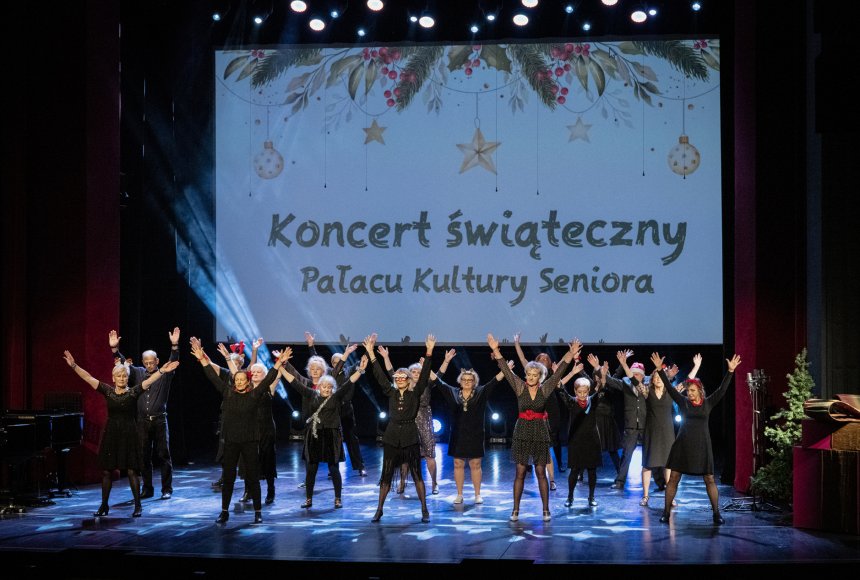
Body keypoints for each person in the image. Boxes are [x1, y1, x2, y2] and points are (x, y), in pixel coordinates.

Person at [62, 350, 179, 517]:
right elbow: (88, 378)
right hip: (112, 435)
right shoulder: (107, 391)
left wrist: (161, 371)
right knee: (107, 472)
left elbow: (150, 380)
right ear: (113, 378)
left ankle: (138, 506)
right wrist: (74, 365)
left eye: (124, 376)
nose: (122, 378)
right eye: (119, 376)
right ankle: (104, 506)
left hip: (129, 434)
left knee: (132, 471)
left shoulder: (133, 392)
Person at [190, 336, 286, 525]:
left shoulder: (255, 394)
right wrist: (202, 359)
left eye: (243, 379)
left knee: (253, 477)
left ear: (247, 381)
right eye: (237, 379)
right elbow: (212, 376)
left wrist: (279, 363)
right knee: (228, 478)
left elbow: (269, 379)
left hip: (250, 441)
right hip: (232, 441)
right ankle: (224, 511)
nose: (240, 381)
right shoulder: (228, 393)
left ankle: (258, 512)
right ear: (234, 381)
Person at [487, 333, 581, 522]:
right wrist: (496, 350)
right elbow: (506, 370)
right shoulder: (519, 387)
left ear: (540, 376)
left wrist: (571, 354)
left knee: (540, 472)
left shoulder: (545, 389)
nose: (531, 377)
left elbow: (560, 371)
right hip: (522, 432)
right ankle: (515, 510)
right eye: (528, 374)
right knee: (520, 472)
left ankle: (546, 510)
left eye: (534, 375)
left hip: (539, 432)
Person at [651, 351, 742, 525]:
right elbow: (669, 387)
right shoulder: (683, 402)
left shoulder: (708, 403)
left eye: (692, 391)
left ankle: (716, 514)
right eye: (688, 391)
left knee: (709, 479)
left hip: (702, 445)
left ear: (700, 391)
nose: (689, 393)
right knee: (673, 479)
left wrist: (730, 371)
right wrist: (660, 370)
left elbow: (722, 390)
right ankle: (666, 513)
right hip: (682, 445)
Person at [279, 352, 368, 509]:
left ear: (333, 388)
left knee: (334, 469)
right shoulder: (311, 393)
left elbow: (350, 381)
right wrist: (280, 367)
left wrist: (360, 370)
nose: (326, 389)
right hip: (314, 436)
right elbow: (294, 381)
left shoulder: (336, 396)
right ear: (319, 387)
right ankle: (308, 499)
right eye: (323, 387)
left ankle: (338, 498)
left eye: (329, 387)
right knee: (311, 469)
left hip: (332, 436)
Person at [364, 333, 435, 523]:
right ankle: (379, 509)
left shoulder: (415, 393)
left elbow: (424, 376)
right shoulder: (391, 392)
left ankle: (424, 509)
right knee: (386, 475)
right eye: (398, 377)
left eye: (404, 377)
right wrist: (371, 353)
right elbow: (380, 376)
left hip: (410, 436)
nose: (401, 379)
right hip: (392, 437)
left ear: (409, 380)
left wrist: (429, 352)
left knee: (417, 475)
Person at [109, 328, 180, 500]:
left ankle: (167, 489)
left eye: (152, 362)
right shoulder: (138, 373)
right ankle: (147, 488)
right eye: (146, 362)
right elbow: (124, 365)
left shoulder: (164, 373)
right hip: (142, 422)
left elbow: (173, 362)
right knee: (143, 456)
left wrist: (174, 345)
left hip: (160, 420)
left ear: (157, 361)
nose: (149, 365)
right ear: (143, 362)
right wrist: (114, 349)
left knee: (164, 455)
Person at [435, 350, 509, 505]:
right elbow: (437, 381)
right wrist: (431, 366)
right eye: (464, 379)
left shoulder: (481, 392)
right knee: (458, 464)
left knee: (475, 464)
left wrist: (505, 368)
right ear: (460, 381)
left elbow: (495, 381)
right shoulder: (453, 392)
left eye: (470, 379)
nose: (467, 381)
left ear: (474, 381)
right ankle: (459, 494)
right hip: (458, 435)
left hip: (475, 434)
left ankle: (477, 494)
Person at [620, 354, 692, 507]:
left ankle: (670, 496)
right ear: (652, 380)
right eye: (656, 377)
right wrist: (624, 364)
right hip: (651, 432)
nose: (658, 379)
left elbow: (687, 383)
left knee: (668, 465)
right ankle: (645, 496)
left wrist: (696, 366)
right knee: (647, 464)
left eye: (661, 377)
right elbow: (633, 379)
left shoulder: (670, 392)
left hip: (667, 432)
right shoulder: (647, 391)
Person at [306, 333, 368, 477]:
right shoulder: (328, 373)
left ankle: (360, 466)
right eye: (334, 362)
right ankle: (332, 468)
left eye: (340, 361)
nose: (337, 364)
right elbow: (316, 361)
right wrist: (311, 345)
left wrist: (368, 349)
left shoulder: (350, 371)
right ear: (331, 363)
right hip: (331, 411)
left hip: (346, 409)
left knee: (351, 438)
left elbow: (362, 361)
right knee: (332, 439)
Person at [513, 335, 569, 475]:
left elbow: (564, 361)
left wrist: (571, 351)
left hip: (551, 406)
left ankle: (559, 464)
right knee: (531, 436)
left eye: (546, 359)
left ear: (549, 363)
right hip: (535, 407)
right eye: (541, 358)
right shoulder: (533, 372)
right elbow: (522, 359)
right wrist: (517, 344)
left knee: (554, 437)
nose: (543, 360)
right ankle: (529, 463)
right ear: (536, 362)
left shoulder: (552, 373)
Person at [604, 350, 648, 490]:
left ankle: (661, 482)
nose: (634, 376)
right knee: (626, 454)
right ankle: (620, 481)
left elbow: (664, 381)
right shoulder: (625, 383)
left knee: (650, 454)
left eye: (637, 374)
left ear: (642, 375)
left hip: (646, 425)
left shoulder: (648, 384)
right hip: (631, 425)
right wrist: (601, 370)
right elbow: (610, 381)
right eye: (633, 374)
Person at [556, 371, 601, 508]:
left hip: (592, 440)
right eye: (579, 392)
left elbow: (601, 389)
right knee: (574, 470)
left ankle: (591, 497)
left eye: (585, 392)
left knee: (592, 471)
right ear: (575, 391)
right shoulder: (572, 402)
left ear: (588, 391)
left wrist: (603, 376)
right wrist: (560, 373)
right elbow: (561, 389)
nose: (582, 395)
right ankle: (570, 497)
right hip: (576, 441)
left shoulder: (593, 401)